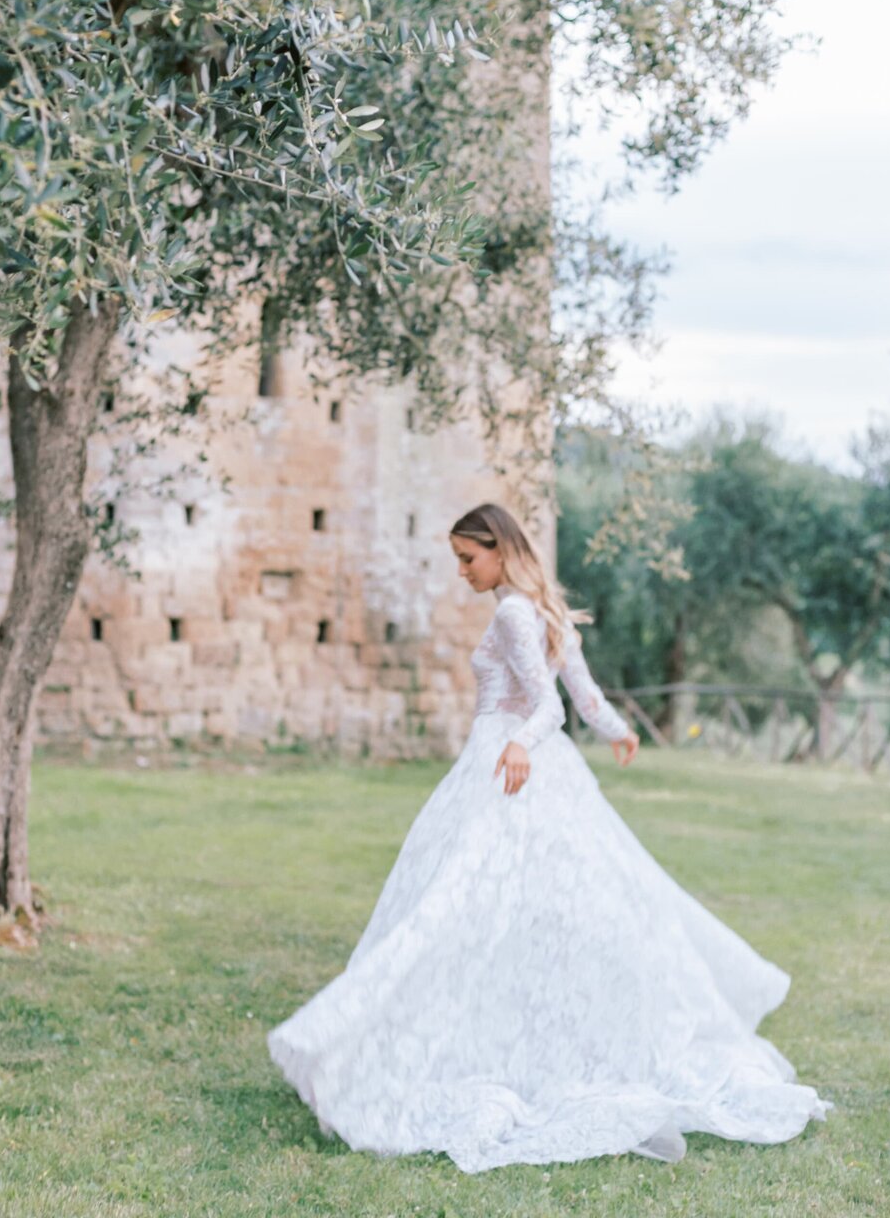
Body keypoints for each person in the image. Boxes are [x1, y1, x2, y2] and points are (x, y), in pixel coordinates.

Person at [266, 502, 832, 1173]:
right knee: (531, 904)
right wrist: (620, 731)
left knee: (453, 904)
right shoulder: (546, 612)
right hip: (532, 769)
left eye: (468, 559)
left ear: (500, 551)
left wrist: (521, 745)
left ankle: (409, 1038)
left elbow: (549, 707)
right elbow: (587, 699)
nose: (462, 572)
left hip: (507, 766)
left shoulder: (512, 613)